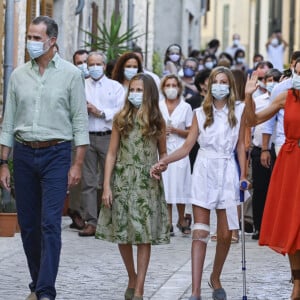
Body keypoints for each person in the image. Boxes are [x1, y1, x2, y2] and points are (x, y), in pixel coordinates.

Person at [0, 16, 89, 300]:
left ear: (52, 41)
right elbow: (8, 120)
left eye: (37, 38)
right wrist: (3, 162)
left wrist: (77, 163)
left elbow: (80, 121)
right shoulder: (18, 76)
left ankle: (45, 290)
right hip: (24, 153)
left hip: (57, 153)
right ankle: (38, 281)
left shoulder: (71, 74)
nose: (31, 43)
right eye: (29, 36)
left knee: (50, 223)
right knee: (28, 224)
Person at [151, 66, 248, 300]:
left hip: (227, 172)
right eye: (216, 81)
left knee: (225, 234)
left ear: (230, 86)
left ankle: (215, 276)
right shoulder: (199, 113)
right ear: (208, 85)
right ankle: (195, 291)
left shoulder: (240, 110)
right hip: (204, 169)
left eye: (225, 82)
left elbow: (241, 146)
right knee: (199, 232)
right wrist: (164, 161)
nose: (220, 86)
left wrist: (244, 175)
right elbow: (186, 147)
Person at [95, 73, 170, 300]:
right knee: (123, 233)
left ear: (149, 94)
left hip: (147, 181)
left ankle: (140, 288)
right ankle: (131, 275)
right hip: (122, 179)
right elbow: (111, 153)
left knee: (144, 234)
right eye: (133, 90)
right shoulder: (121, 118)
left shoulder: (157, 120)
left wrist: (160, 165)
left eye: (140, 90)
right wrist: (106, 186)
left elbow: (164, 153)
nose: (135, 94)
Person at [244, 57, 300, 300]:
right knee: (292, 224)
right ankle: (297, 282)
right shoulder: (286, 96)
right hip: (292, 161)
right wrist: (248, 97)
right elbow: (252, 120)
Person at [79, 51, 125, 237]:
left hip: (108, 136)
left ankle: (110, 220)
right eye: (91, 64)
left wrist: (101, 112)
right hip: (86, 136)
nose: (94, 67)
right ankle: (91, 221)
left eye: (98, 64)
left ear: (104, 66)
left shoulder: (115, 87)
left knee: (110, 178)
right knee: (88, 180)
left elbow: (121, 110)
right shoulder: (80, 85)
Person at [159, 74, 193, 236]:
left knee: (180, 185)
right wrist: (160, 133)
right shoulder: (158, 106)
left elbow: (191, 132)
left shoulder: (185, 107)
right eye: (168, 85)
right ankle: (167, 221)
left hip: (180, 150)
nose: (171, 88)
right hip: (163, 150)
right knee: (166, 186)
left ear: (179, 88)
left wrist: (175, 130)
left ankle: (181, 218)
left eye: (174, 85)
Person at [250, 69, 281, 240]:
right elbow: (252, 123)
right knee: (260, 189)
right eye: (269, 79)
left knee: (277, 190)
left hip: (279, 150)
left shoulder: (285, 100)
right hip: (260, 149)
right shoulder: (259, 101)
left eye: (276, 79)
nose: (272, 82)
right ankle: (259, 226)